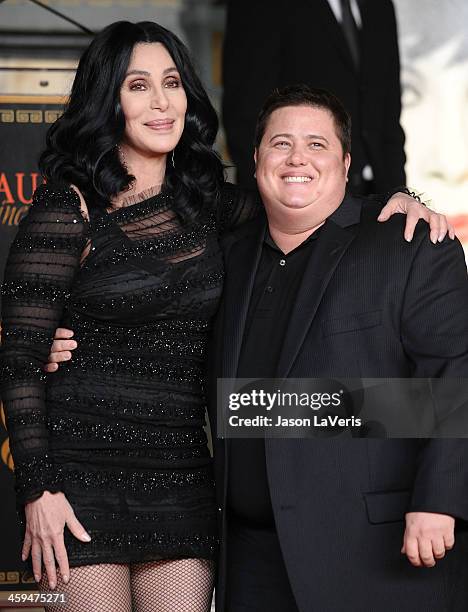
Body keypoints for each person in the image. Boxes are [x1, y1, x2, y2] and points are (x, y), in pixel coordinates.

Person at [1, 20, 449, 612]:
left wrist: (404, 201)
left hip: (185, 478)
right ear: (109, 98)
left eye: (172, 82)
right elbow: (18, 358)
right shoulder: (70, 205)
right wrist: (39, 489)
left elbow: (301, 195)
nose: (161, 102)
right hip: (81, 479)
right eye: (138, 85)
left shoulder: (212, 204)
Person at [210, 85, 468, 612]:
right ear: (255, 159)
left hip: (373, 553)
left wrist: (440, 502)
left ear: (347, 163)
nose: (297, 157)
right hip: (248, 561)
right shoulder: (227, 258)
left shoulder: (406, 243)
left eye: (317, 144)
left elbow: (454, 374)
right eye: (280, 144)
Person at [223, 0, 406, 194]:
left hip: (379, 191)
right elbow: (244, 112)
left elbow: (389, 110)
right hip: (298, 195)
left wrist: (399, 193)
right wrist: (266, 205)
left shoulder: (380, 6)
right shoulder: (258, 6)